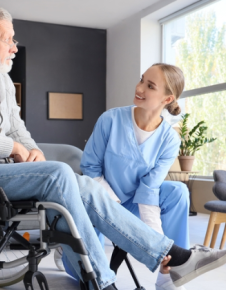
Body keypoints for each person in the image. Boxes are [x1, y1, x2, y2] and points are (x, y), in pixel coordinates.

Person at [0, 5, 226, 290]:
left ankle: (174, 256)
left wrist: (32, 151)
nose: (14, 47)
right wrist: (15, 146)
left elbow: (18, 129)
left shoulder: (2, 79)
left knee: (83, 185)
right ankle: (103, 280)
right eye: (8, 39)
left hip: (2, 171)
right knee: (64, 174)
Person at [65, 63, 189, 290]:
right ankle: (69, 258)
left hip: (136, 204)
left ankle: (170, 273)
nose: (139, 88)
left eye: (150, 86)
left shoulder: (169, 139)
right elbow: (91, 168)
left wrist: (158, 243)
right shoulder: (110, 120)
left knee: (178, 191)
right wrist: (113, 209)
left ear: (167, 99)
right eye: (142, 80)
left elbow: (150, 189)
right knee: (80, 272)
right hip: (100, 200)